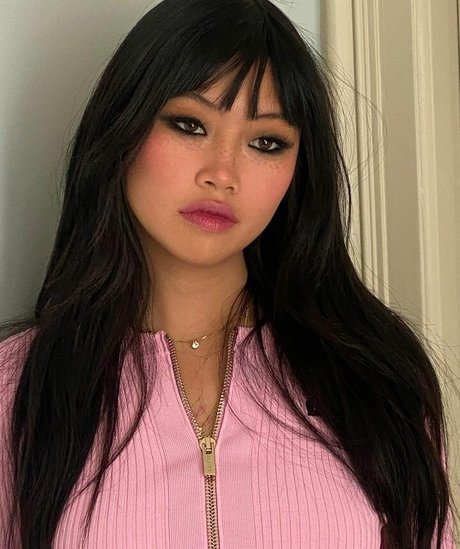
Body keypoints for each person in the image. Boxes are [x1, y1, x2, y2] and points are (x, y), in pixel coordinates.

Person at [0, 0, 456, 547]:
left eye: (266, 142)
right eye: (189, 124)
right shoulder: (18, 389)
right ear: (122, 128)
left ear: (298, 169)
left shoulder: (375, 376)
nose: (222, 173)